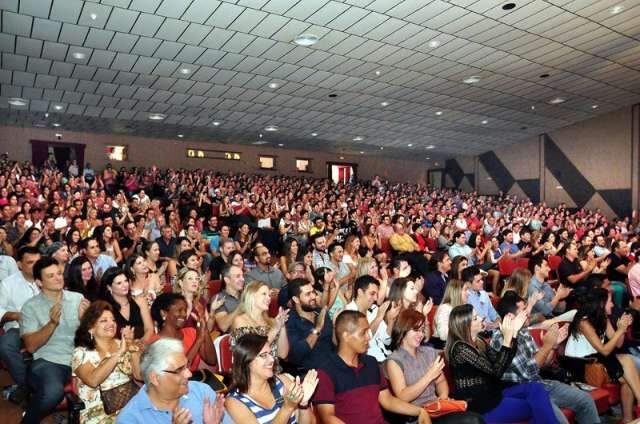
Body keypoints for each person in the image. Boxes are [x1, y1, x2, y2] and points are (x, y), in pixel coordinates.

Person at [491, 292, 600, 424]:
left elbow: (543, 364)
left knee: (586, 401)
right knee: (560, 421)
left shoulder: (523, 331)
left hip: (540, 383)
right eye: (523, 310)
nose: (528, 312)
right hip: (522, 392)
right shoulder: (501, 338)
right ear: (510, 316)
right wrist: (547, 346)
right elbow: (528, 372)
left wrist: (553, 346)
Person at [445, 304, 558, 423]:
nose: (481, 318)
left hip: (493, 393)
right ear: (465, 326)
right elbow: (495, 371)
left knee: (536, 388)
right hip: (479, 405)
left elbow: (502, 360)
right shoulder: (460, 349)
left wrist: (513, 334)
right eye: (475, 318)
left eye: (477, 315)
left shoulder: (479, 341)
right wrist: (507, 339)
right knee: (533, 406)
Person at [314, 310, 431, 423]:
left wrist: (419, 411)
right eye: (363, 333)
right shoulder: (326, 371)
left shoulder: (371, 363)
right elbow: (328, 417)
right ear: (346, 336)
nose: (369, 337)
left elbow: (387, 400)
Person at [20, 256, 90, 424]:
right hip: (50, 361)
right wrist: (52, 323)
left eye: (59, 273)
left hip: (81, 357)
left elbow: (93, 335)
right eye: (51, 276)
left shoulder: (77, 298)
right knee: (53, 393)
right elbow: (30, 346)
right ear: (39, 282)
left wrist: (85, 322)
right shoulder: (30, 307)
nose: (58, 278)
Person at [386, 309, 484, 424]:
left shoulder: (428, 352)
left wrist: (442, 398)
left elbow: (441, 382)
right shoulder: (394, 361)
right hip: (417, 416)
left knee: (474, 414)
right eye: (416, 330)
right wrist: (429, 376)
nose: (421, 334)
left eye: (422, 330)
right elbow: (403, 396)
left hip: (437, 409)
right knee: (474, 420)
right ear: (403, 329)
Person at [566, 288, 640, 422]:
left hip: (595, 358)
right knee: (627, 365)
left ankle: (629, 419)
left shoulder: (603, 318)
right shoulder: (584, 322)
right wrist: (620, 331)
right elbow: (604, 350)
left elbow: (617, 344)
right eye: (610, 301)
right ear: (600, 304)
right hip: (580, 364)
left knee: (627, 370)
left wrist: (621, 329)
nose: (612, 305)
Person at [116, 338, 224, 423]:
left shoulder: (202, 392)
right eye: (179, 370)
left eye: (186, 366)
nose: (189, 374)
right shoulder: (130, 419)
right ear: (155, 378)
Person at [72, 301, 143, 423]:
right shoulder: (81, 353)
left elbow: (140, 375)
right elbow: (93, 380)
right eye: (104, 321)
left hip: (129, 406)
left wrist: (132, 346)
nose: (111, 324)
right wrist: (119, 353)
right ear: (91, 328)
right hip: (98, 413)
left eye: (113, 320)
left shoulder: (123, 344)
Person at [224, 333, 318, 423]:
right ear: (246, 361)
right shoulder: (235, 402)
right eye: (264, 355)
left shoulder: (282, 381)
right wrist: (287, 407)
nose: (272, 359)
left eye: (270, 354)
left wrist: (303, 404)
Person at [0, 246, 41, 403]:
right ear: (19, 264)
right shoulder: (8, 283)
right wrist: (14, 315)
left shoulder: (48, 278)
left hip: (47, 325)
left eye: (38, 261)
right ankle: (27, 385)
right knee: (5, 345)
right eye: (30, 262)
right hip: (18, 328)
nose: (36, 266)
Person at [150, 293, 218, 373]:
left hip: (194, 381)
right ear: (163, 313)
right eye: (179, 310)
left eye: (185, 310)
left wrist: (204, 329)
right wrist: (198, 340)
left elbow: (212, 361)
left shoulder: (191, 332)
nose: (184, 314)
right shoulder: (156, 342)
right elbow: (179, 371)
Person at [345, 275, 400, 361]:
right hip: (369, 360)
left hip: (387, 356)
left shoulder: (374, 309)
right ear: (360, 292)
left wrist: (391, 320)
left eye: (376, 294)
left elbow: (386, 341)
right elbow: (361, 340)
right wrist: (378, 318)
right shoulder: (348, 313)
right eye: (372, 294)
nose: (375, 298)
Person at [231, 280, 289, 360]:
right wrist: (275, 329)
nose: (269, 298)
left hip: (273, 369)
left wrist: (282, 325)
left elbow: (283, 354)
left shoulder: (271, 321)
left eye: (269, 295)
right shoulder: (240, 321)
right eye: (264, 294)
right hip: (250, 371)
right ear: (251, 295)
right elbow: (253, 353)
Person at [286, 278, 334, 372]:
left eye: (313, 292)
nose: (313, 296)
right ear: (296, 299)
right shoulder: (289, 321)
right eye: (308, 294)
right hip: (310, 373)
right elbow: (297, 354)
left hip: (333, 364)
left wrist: (337, 327)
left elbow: (332, 342)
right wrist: (317, 328)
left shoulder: (320, 312)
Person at [99, 267, 154, 342]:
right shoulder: (105, 308)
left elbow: (149, 329)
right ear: (109, 287)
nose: (124, 285)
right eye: (119, 283)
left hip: (142, 346)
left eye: (125, 281)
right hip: (118, 349)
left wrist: (141, 344)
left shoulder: (140, 301)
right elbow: (104, 337)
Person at [433, 279, 469, 345]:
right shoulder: (445, 308)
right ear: (457, 292)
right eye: (465, 290)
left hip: (457, 343)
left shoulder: (462, 307)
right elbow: (443, 335)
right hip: (443, 346)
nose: (468, 293)